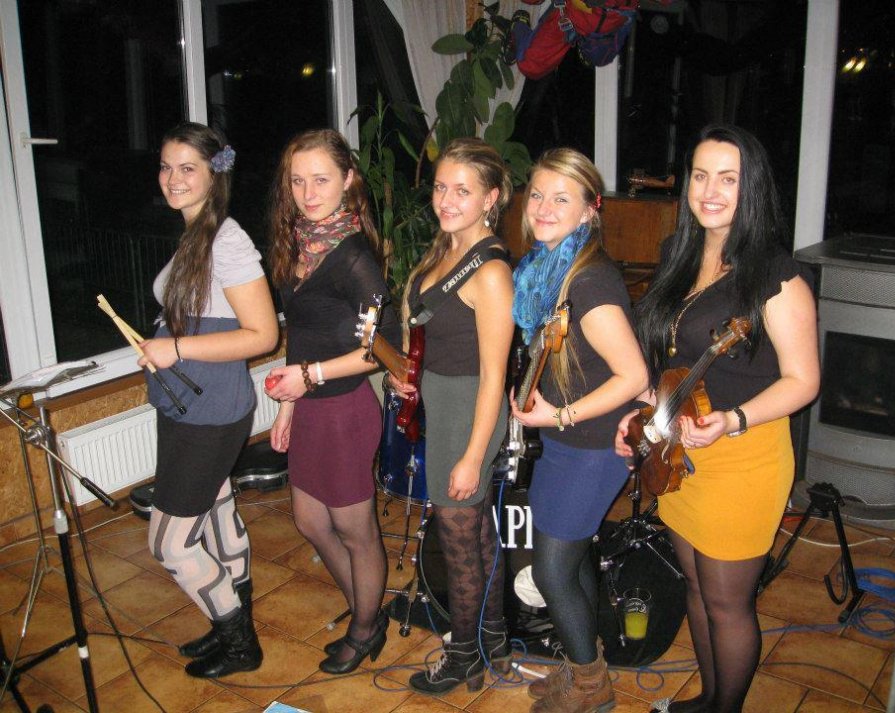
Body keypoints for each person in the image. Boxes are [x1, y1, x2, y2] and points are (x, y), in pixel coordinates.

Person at [615, 124, 820, 713]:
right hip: (680, 455)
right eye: (701, 176)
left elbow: (803, 381)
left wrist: (732, 420)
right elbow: (668, 360)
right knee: (698, 588)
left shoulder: (775, 275)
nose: (710, 191)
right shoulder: (679, 255)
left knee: (729, 603)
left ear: (752, 189)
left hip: (743, 457)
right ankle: (709, 699)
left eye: (728, 179)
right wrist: (642, 416)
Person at [508, 148, 649, 713]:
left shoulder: (588, 281)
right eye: (537, 195)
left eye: (561, 199)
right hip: (567, 442)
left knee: (551, 571)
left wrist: (558, 415)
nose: (543, 208)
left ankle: (592, 688)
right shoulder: (548, 269)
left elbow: (634, 376)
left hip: (593, 446)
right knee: (570, 560)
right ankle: (584, 662)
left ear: (590, 209)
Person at [141, 122, 278, 679]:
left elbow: (262, 334)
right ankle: (228, 621)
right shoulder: (197, 233)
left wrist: (174, 347)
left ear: (213, 174)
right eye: (165, 166)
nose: (172, 178)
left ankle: (240, 641)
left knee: (170, 545)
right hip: (189, 405)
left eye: (187, 168)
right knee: (218, 514)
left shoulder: (227, 240)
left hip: (211, 412)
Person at [264, 129, 399, 675]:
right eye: (298, 181)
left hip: (345, 411)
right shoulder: (297, 243)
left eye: (321, 179)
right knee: (308, 521)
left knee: (354, 529)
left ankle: (364, 627)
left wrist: (308, 377)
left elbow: (384, 351)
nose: (308, 193)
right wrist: (288, 404)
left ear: (347, 180)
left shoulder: (354, 257)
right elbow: (301, 332)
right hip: (311, 408)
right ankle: (368, 610)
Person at [388, 138, 514, 695]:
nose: (446, 199)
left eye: (462, 190)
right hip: (442, 402)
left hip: (470, 413)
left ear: (491, 197)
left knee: (459, 541)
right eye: (441, 187)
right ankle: (494, 638)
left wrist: (471, 455)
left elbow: (494, 377)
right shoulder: (446, 247)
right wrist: (406, 375)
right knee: (478, 536)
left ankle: (463, 655)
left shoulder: (490, 271)